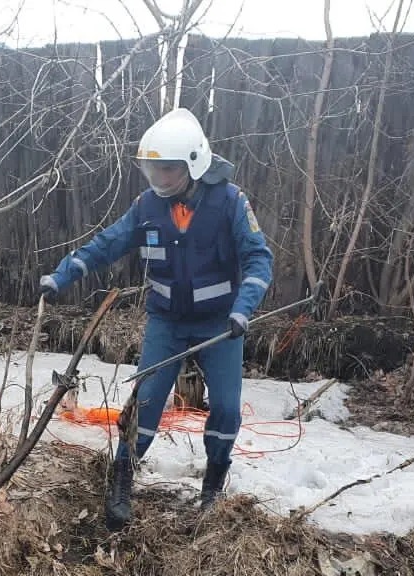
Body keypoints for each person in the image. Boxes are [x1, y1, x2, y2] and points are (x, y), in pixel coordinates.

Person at [39, 107, 274, 531]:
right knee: (145, 403)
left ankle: (213, 485)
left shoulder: (230, 203)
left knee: (225, 408)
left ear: (193, 165)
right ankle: (123, 477)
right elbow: (107, 243)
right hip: (166, 322)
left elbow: (259, 258)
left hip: (221, 324)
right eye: (152, 170)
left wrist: (243, 309)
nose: (158, 179)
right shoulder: (147, 206)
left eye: (167, 170)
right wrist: (63, 273)